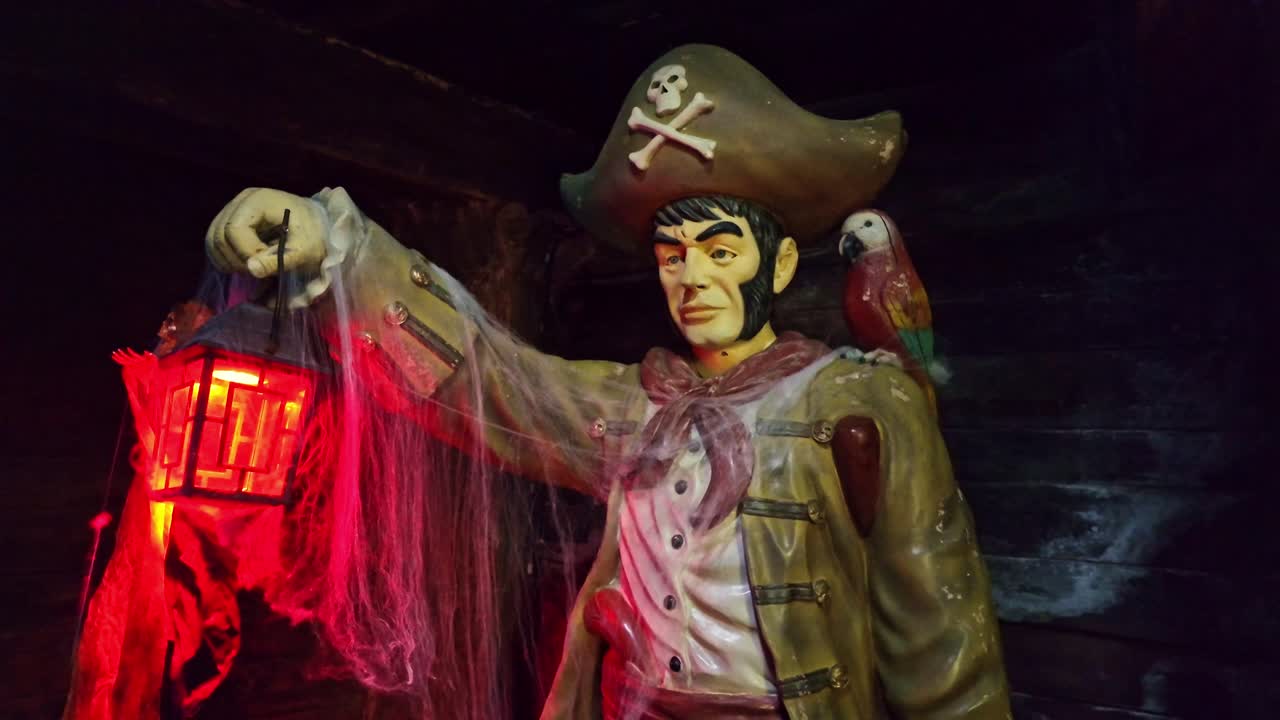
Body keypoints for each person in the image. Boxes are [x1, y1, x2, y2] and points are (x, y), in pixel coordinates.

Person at [205, 44, 1010, 720]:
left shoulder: (861, 402)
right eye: (673, 256)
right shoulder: (636, 403)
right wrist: (340, 248)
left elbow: (943, 645)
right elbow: (495, 380)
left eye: (720, 251)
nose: (693, 278)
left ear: (779, 263)